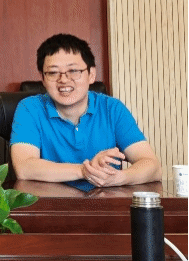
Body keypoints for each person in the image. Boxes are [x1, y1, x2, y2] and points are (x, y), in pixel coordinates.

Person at [10, 33, 161, 187]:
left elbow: (152, 167)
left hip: (106, 200)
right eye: (53, 72)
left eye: (73, 71)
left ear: (91, 75)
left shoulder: (112, 109)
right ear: (43, 78)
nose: (63, 80)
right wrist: (85, 170)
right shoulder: (29, 109)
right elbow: (24, 168)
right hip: (50, 201)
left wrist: (119, 178)